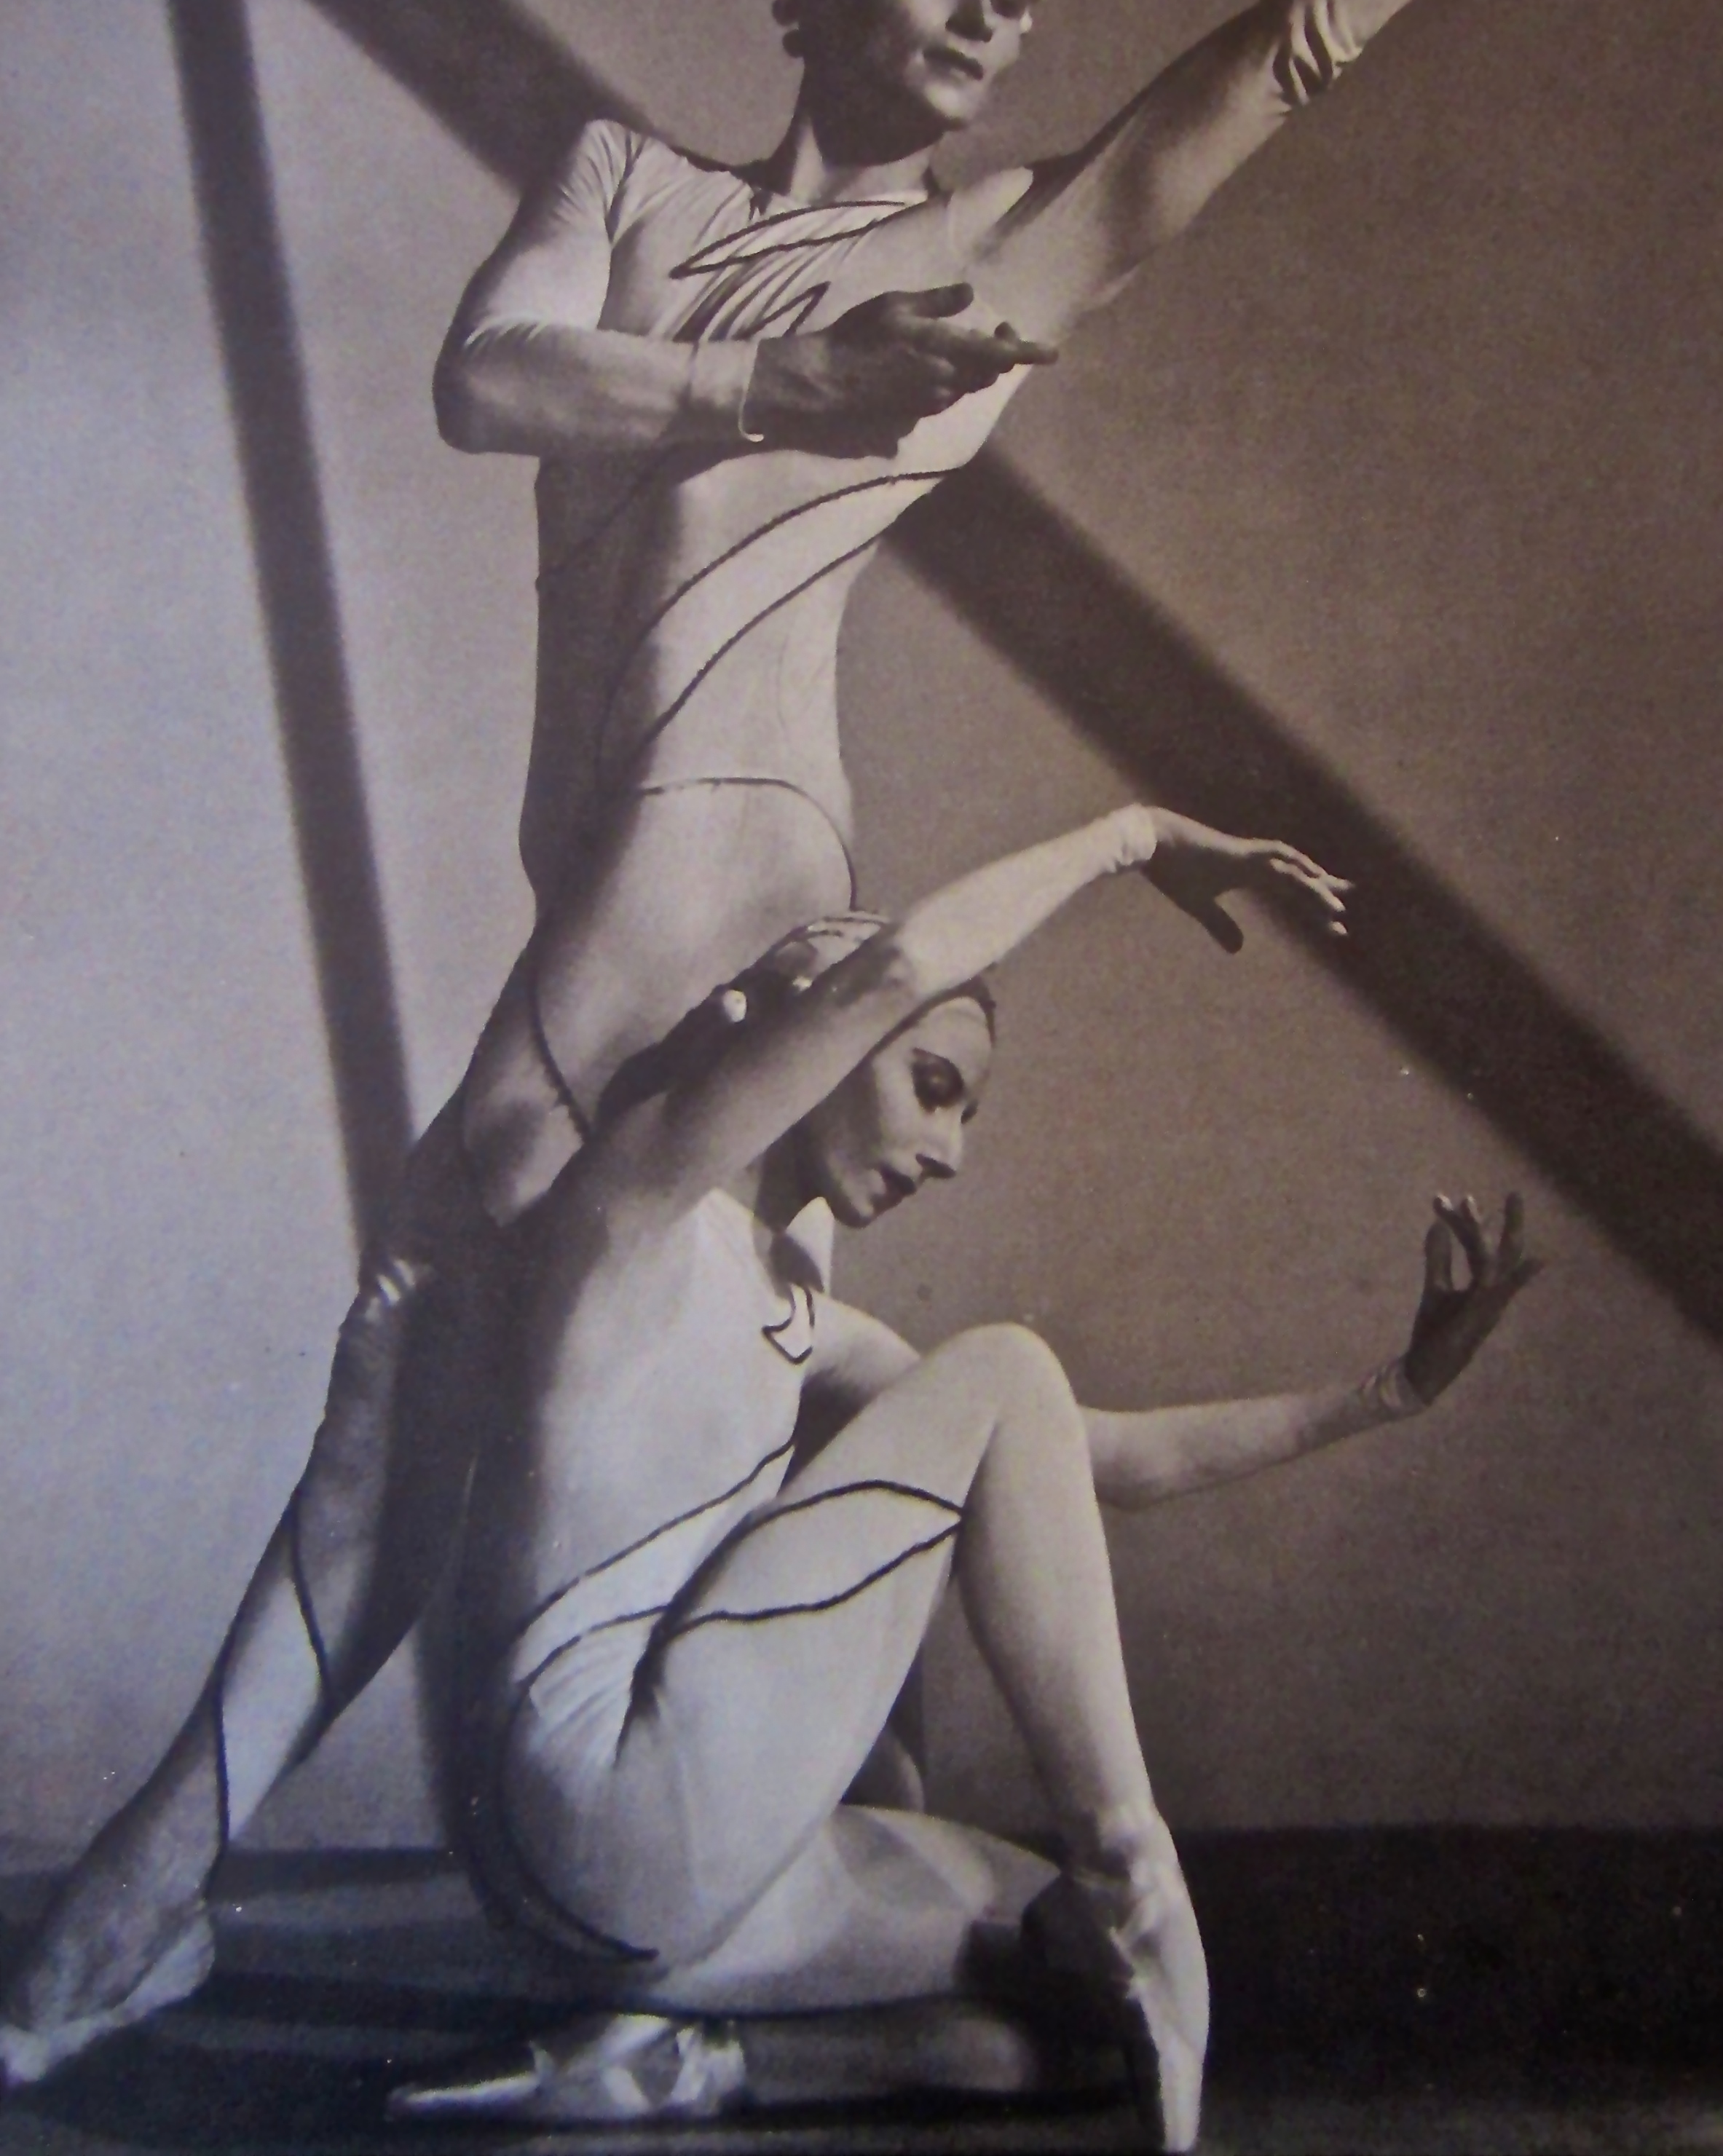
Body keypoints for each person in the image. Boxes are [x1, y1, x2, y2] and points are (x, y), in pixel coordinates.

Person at [0, 0, 1719, 2085]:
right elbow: (485, 381)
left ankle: (151, 1892)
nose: (998, 15)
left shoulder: (993, 255)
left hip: (731, 857)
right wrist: (768, 383)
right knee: (519, 1342)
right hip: (604, 877)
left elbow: (1281, 59)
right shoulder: (630, 188)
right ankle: (614, 1886)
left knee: (445, 1308)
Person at [366, 805, 1539, 2152]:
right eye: (931, 1087)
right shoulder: (629, 1213)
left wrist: (1389, 1396)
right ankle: (1133, 1865)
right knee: (1005, 1369)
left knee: (1065, 1982)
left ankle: (697, 2068)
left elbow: (1098, 1458)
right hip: (589, 1810)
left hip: (619, 1894)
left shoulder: (795, 1313)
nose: (951, 1151)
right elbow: (900, 970)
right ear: (819, 1035)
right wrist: (1131, 837)